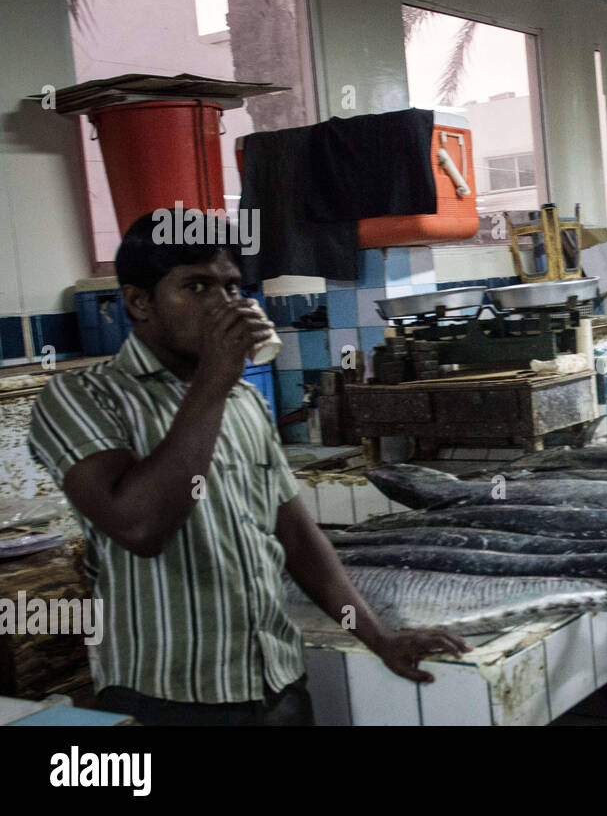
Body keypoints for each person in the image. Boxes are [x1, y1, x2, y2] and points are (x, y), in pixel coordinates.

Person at [28, 210, 468, 726]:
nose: (223, 305)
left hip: (276, 685)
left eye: (232, 288)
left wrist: (377, 636)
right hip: (166, 699)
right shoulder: (82, 396)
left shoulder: (243, 401)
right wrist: (214, 379)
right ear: (138, 302)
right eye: (196, 287)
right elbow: (139, 526)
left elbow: (298, 539)